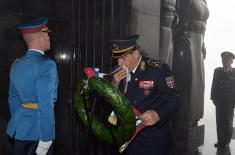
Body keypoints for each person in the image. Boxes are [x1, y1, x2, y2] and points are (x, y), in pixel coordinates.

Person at [110, 34, 181, 155]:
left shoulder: (157, 69)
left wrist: (158, 114)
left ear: (136, 54)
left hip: (152, 143)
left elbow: (175, 100)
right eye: (117, 59)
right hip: (126, 141)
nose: (119, 63)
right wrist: (114, 85)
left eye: (123, 58)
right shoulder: (117, 73)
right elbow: (114, 105)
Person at [6, 17, 58, 155]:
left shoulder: (16, 65)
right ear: (40, 39)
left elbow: (13, 98)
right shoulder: (47, 65)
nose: (49, 38)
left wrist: (23, 120)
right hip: (39, 133)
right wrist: (46, 139)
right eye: (47, 35)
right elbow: (46, 104)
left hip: (21, 130)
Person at [211, 51, 235, 152]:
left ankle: (226, 141)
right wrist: (213, 98)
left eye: (227, 60)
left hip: (230, 102)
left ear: (231, 61)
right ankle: (220, 141)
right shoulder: (217, 71)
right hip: (219, 101)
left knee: (228, 122)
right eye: (223, 59)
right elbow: (214, 84)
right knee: (219, 122)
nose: (225, 61)